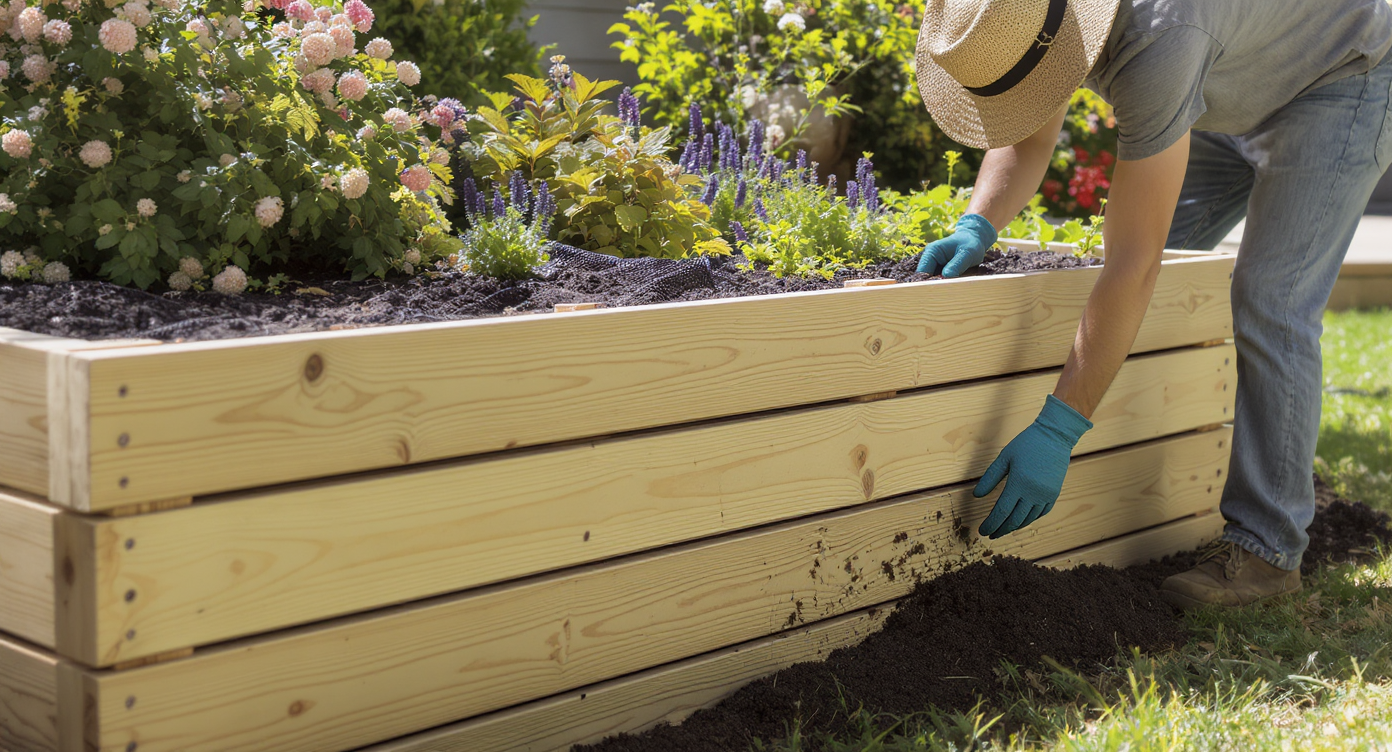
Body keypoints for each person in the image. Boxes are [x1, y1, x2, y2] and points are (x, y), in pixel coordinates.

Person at [914, 0, 1392, 609]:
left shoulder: (1158, 46)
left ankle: (1269, 549)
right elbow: (1032, 133)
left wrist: (1058, 428)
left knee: (1272, 300)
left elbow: (1133, 265)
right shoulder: (1051, 19)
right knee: (1172, 267)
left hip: (1341, 77)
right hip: (1238, 67)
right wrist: (977, 223)